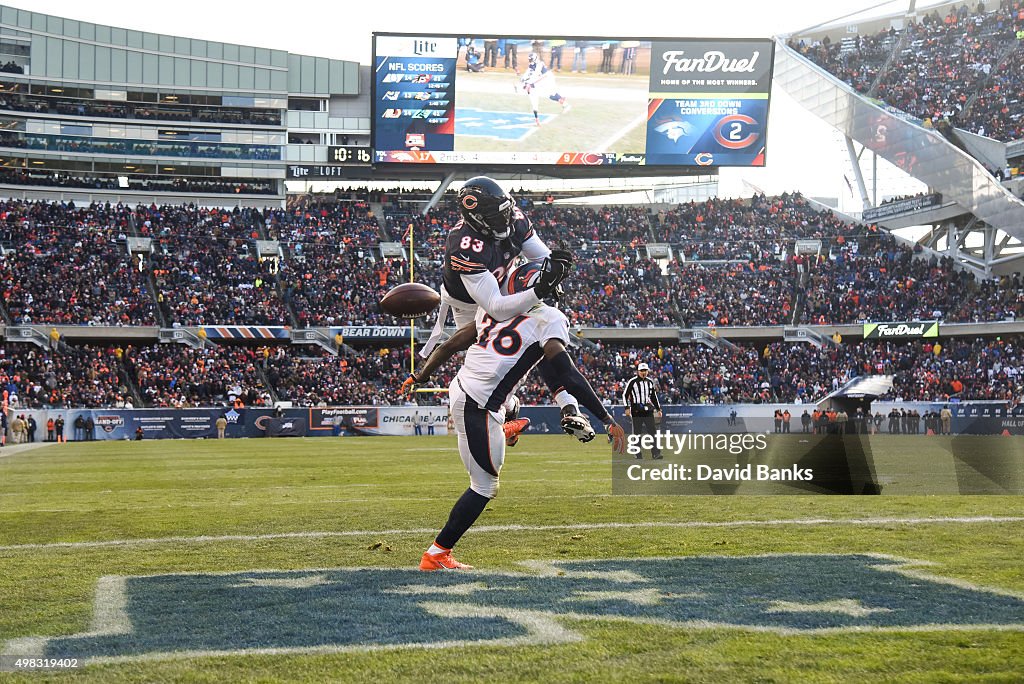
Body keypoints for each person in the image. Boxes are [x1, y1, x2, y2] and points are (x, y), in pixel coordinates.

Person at [408, 266, 626, 572]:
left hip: (460, 389)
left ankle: (508, 423)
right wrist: (606, 417)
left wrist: (420, 374)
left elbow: (452, 343)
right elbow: (565, 372)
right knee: (484, 486)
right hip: (480, 405)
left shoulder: (494, 307)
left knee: (508, 404)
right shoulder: (548, 317)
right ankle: (436, 554)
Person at [418, 176, 581, 437]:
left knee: (538, 334)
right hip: (470, 303)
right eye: (497, 215)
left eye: (506, 212)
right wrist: (539, 289)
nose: (506, 219)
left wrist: (552, 276)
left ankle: (565, 406)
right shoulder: (464, 244)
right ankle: (507, 410)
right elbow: (494, 307)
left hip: (504, 280)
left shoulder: (514, 218)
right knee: (489, 366)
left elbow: (541, 258)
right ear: (479, 218)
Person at [623, 363, 662, 459]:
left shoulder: (650, 382)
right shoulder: (632, 382)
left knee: (653, 431)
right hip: (636, 410)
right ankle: (637, 453)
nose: (644, 373)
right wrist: (626, 407)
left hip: (648, 409)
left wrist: (658, 408)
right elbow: (625, 395)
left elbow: (653, 396)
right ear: (638, 371)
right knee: (637, 432)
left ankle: (656, 453)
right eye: (642, 371)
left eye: (645, 371)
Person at [520, 52, 569, 126]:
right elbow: (529, 72)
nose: (530, 61)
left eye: (531, 59)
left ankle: (564, 102)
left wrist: (531, 84)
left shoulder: (539, 65)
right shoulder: (533, 64)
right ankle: (564, 102)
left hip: (548, 79)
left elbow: (540, 77)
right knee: (549, 95)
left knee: (550, 95)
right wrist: (523, 78)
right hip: (543, 79)